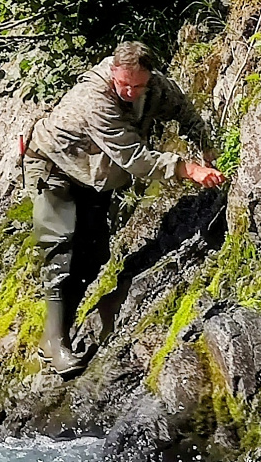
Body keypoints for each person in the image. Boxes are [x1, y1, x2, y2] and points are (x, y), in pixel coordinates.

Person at [22, 41, 225, 377]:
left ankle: (61, 332)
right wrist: (187, 168)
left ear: (150, 78)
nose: (130, 92)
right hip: (53, 168)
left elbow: (184, 111)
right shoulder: (95, 98)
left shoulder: (156, 87)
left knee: (94, 255)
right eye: (123, 84)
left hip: (93, 176)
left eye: (138, 86)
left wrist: (206, 147)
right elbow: (133, 157)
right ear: (113, 72)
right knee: (62, 251)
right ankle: (55, 344)